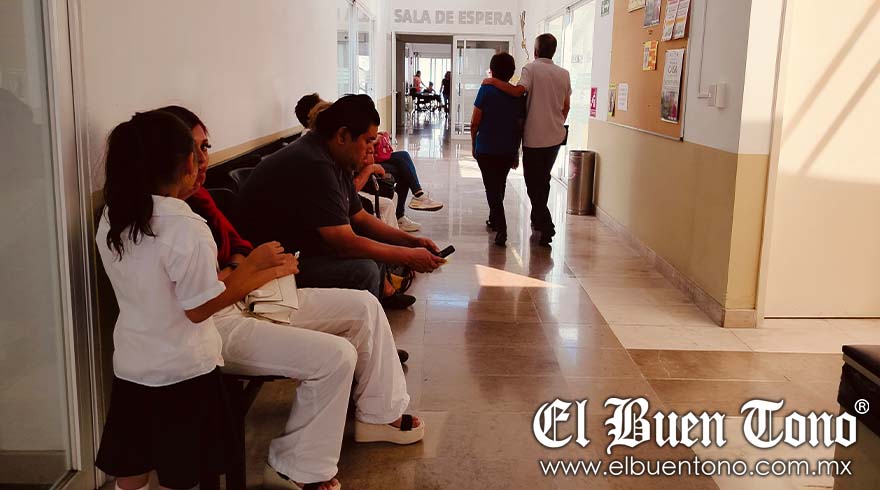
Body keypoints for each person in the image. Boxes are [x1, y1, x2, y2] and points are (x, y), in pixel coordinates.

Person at [94, 110, 352, 490]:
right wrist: (257, 269)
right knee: (181, 473)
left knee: (131, 467)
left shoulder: (114, 217)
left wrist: (254, 269)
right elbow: (199, 307)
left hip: (132, 366)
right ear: (186, 162)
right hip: (184, 372)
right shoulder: (186, 227)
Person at [236, 94, 446, 309]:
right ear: (342, 135)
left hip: (298, 248)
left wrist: (412, 242)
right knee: (364, 271)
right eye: (367, 140)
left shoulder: (333, 156)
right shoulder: (315, 163)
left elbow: (360, 217)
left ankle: (377, 308)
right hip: (268, 265)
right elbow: (344, 244)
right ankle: (365, 323)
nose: (370, 149)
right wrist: (408, 256)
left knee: (372, 247)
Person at [296, 94, 444, 233]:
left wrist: (407, 244)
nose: (370, 147)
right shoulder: (318, 159)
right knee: (398, 174)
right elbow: (344, 237)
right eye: (367, 140)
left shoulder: (328, 153)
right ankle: (414, 199)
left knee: (402, 160)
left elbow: (355, 210)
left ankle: (414, 198)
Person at [482, 33, 571, 246]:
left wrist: (492, 81)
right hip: (556, 136)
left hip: (534, 137)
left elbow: (517, 92)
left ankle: (546, 224)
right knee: (543, 179)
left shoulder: (530, 69)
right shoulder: (564, 73)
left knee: (532, 183)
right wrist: (556, 121)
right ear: (553, 51)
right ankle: (538, 220)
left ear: (536, 51)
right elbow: (566, 105)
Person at [471, 53, 524, 247]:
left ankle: (502, 228)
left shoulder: (486, 90)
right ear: (512, 72)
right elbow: (520, 126)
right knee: (499, 184)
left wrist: (473, 143)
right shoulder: (518, 95)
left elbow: (475, 121)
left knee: (492, 188)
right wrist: (516, 151)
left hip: (486, 148)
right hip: (507, 149)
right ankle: (494, 219)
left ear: (492, 71)